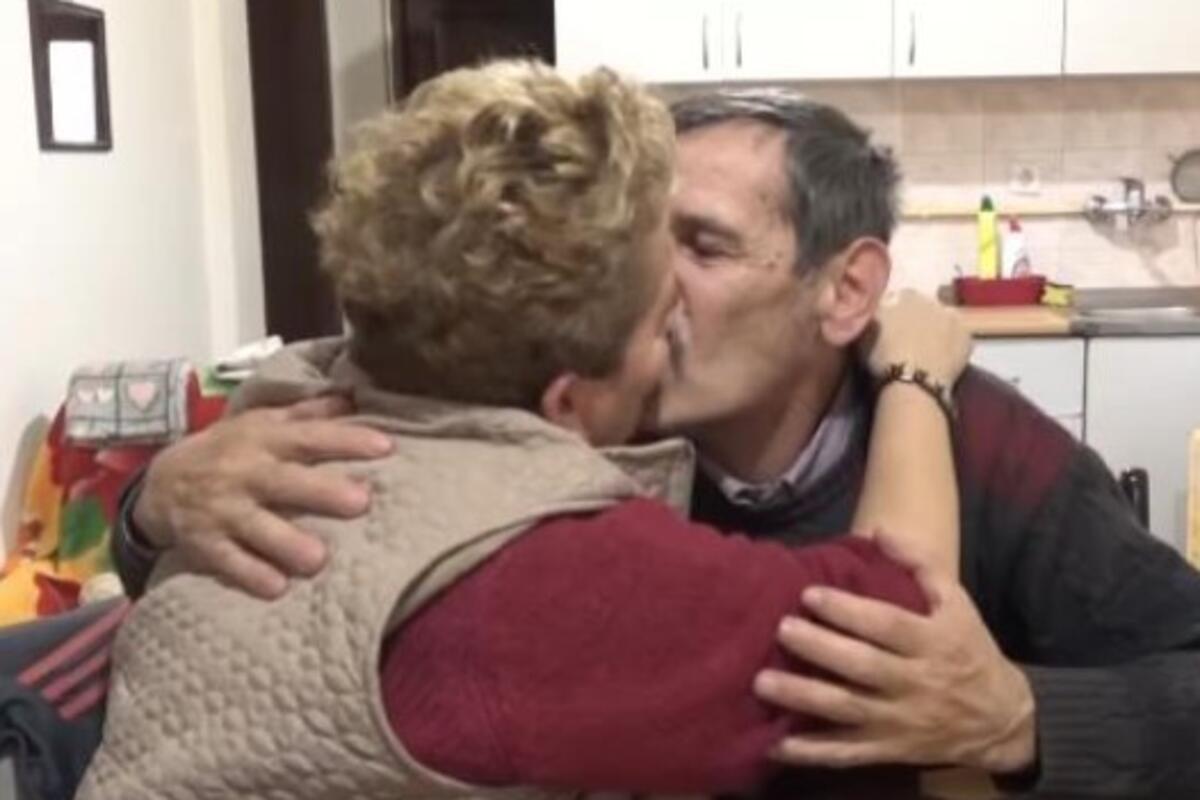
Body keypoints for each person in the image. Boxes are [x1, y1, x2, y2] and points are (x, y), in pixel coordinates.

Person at [116, 87, 1200, 797]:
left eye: (705, 246)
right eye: (638, 246)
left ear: (846, 289)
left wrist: (1024, 717)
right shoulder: (538, 432)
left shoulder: (983, 447)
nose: (655, 291)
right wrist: (155, 501)